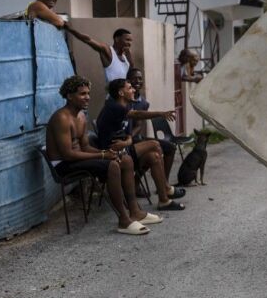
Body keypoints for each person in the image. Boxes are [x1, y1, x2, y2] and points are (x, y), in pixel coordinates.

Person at [46, 75, 163, 235]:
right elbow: (67, 154)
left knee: (125, 159)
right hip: (64, 164)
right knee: (112, 165)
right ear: (69, 96)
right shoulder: (62, 118)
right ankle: (123, 220)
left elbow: (85, 146)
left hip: (76, 157)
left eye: (88, 93)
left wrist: (108, 153)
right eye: (82, 94)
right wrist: (101, 155)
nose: (87, 97)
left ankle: (135, 211)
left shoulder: (81, 116)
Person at [96, 78, 186, 211]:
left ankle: (164, 201)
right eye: (129, 88)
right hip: (114, 154)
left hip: (123, 149)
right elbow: (137, 114)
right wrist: (161, 113)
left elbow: (126, 134)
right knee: (154, 144)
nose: (133, 90)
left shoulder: (121, 107)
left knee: (153, 156)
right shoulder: (115, 107)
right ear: (121, 93)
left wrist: (128, 140)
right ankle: (166, 188)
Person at [126, 68, 177, 186]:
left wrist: (131, 137)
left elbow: (138, 125)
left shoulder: (143, 102)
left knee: (170, 147)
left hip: (134, 137)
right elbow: (135, 114)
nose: (138, 81)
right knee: (150, 151)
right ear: (128, 81)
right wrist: (127, 139)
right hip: (124, 140)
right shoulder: (124, 99)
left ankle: (164, 183)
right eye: (135, 78)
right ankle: (138, 184)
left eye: (140, 78)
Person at [67, 27, 134, 83]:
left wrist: (130, 60)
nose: (129, 43)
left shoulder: (125, 56)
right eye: (127, 40)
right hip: (114, 97)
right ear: (117, 39)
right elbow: (87, 40)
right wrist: (68, 28)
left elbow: (130, 76)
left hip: (125, 97)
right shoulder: (108, 51)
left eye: (131, 41)